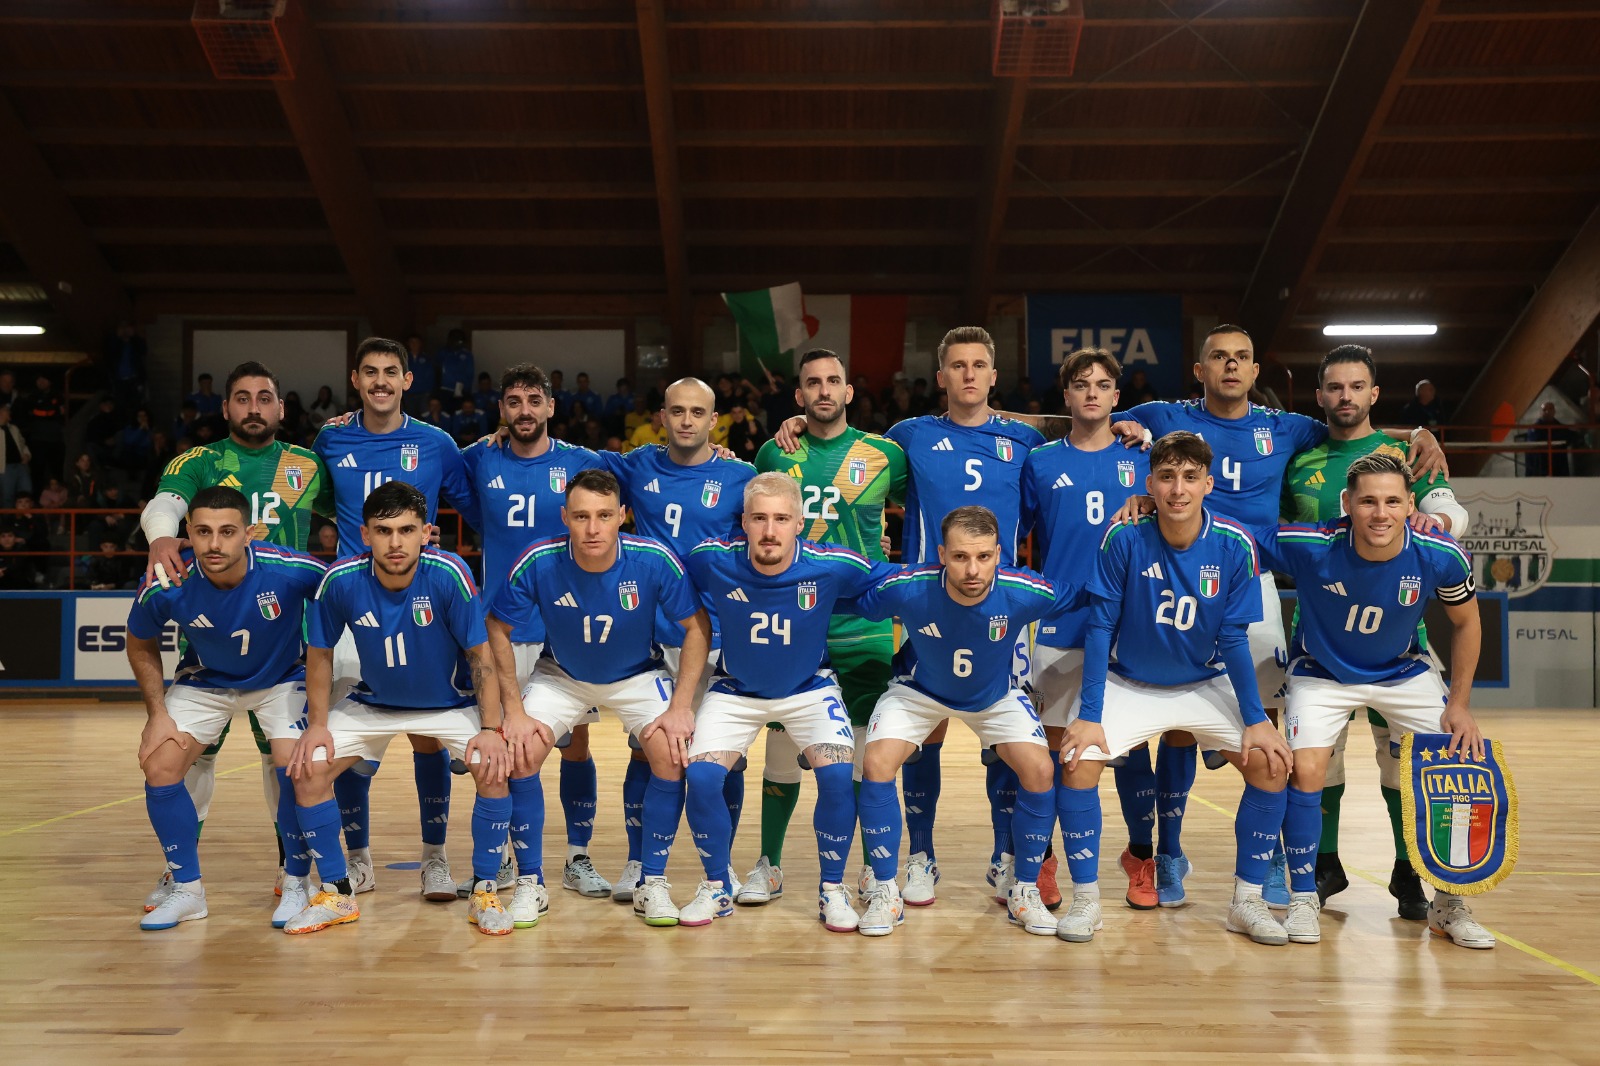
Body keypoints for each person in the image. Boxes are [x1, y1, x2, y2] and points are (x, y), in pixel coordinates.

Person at [1109, 324, 1446, 908]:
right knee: (1176, 721)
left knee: (1265, 728)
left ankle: (1264, 864)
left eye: (1242, 357)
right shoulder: (1164, 416)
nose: (1231, 366)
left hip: (1251, 583)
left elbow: (1352, 424)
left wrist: (1418, 433)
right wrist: (1136, 476)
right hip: (1172, 573)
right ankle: (1165, 851)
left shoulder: (1286, 427)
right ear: (1200, 369)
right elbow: (1097, 421)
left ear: (1256, 371)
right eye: (1218, 357)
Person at [778, 326, 1045, 906]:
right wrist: (799, 425)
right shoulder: (907, 439)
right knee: (925, 731)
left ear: (993, 377)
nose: (969, 374)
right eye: (957, 365)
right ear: (942, 376)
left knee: (1004, 738)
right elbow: (845, 451)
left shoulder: (1024, 441)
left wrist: (1136, 430)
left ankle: (1006, 856)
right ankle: (920, 854)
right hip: (927, 605)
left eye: (979, 365)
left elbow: (1082, 440)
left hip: (1000, 606)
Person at [1056, 431, 1295, 946]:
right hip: (1129, 681)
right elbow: (1099, 628)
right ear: (1150, 484)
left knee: (1272, 765)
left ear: (1209, 483)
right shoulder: (1122, 536)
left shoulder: (1234, 544)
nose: (1178, 489)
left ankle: (1247, 902)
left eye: (1190, 478)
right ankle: (1086, 902)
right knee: (1076, 762)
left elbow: (1233, 638)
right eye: (1167, 477)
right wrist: (1090, 712)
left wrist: (1255, 719)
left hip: (1204, 681)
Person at [1254, 451, 1494, 948]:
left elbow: (1468, 622)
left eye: (1391, 501)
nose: (1379, 513)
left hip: (1404, 670)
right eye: (1367, 501)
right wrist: (1155, 503)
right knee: (1307, 769)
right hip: (1320, 673)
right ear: (1347, 504)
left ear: (1411, 505)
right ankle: (1302, 897)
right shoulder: (1309, 544)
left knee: (1453, 761)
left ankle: (1448, 903)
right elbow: (1226, 535)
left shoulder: (1439, 552)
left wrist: (1461, 705)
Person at [138, 360, 337, 911]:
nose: (254, 407)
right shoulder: (199, 462)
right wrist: (160, 538)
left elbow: (349, 515)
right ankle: (181, 872)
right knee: (192, 759)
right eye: (243, 398)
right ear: (226, 408)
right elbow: (166, 506)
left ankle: (291, 870)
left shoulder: (304, 463)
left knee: (287, 760)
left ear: (280, 407)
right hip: (211, 639)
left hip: (286, 642)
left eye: (265, 398)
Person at [1282, 344, 1471, 913]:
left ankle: (1410, 869)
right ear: (1320, 398)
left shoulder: (1406, 452)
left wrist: (1432, 520)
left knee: (1402, 762)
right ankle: (1324, 865)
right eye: (1335, 388)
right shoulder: (1300, 460)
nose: (1346, 396)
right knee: (1322, 760)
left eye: (1356, 386)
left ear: (1373, 393)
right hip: (1318, 638)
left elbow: (1450, 514)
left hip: (1399, 643)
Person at [485, 469, 711, 927]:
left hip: (636, 675)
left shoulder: (652, 559)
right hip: (562, 675)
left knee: (670, 752)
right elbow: (496, 627)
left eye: (605, 516)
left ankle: (653, 883)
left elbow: (696, 627)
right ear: (564, 516)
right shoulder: (538, 560)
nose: (593, 528)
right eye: (582, 516)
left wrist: (681, 706)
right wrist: (513, 709)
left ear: (623, 517)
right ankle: (532, 884)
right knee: (522, 751)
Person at [285, 481, 512, 935]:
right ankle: (337, 893)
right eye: (383, 530)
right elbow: (320, 655)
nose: (395, 542)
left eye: (406, 530)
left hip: (447, 704)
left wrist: (491, 727)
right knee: (309, 768)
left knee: (494, 764)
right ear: (364, 534)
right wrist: (318, 725)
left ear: (426, 532)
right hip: (374, 701)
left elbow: (480, 658)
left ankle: (485, 888)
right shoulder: (341, 580)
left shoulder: (449, 573)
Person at [680, 473, 895, 931]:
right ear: (744, 522)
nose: (770, 530)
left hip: (809, 689)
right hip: (736, 689)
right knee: (699, 778)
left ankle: (831, 890)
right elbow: (668, 581)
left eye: (781, 519)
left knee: (838, 775)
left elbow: (892, 582)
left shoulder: (832, 563)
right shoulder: (710, 558)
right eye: (759, 518)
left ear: (800, 523)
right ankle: (717, 886)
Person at [312, 337, 484, 900]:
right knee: (352, 749)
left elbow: (473, 503)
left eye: (392, 372)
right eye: (370, 372)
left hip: (417, 601)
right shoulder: (330, 437)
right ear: (355, 380)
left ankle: (435, 857)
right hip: (351, 607)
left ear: (408, 381)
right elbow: (308, 500)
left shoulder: (435, 442)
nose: (381, 381)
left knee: (426, 737)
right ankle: (355, 856)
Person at [743, 349, 907, 906]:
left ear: (849, 391)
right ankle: (769, 864)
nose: (823, 390)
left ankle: (865, 867)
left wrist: (892, 551)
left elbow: (931, 510)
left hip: (862, 623)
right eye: (812, 382)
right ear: (798, 396)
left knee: (862, 757)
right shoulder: (775, 449)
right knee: (784, 754)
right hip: (797, 626)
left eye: (833, 380)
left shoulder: (884, 454)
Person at [125, 486, 326, 930]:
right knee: (158, 764)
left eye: (227, 531)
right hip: (206, 681)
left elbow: (349, 584)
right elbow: (139, 639)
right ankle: (187, 890)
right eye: (202, 532)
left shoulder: (289, 570)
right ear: (187, 536)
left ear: (249, 534)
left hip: (281, 679)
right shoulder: (168, 579)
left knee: (295, 764)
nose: (214, 544)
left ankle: (296, 881)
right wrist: (157, 714)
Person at [853, 506, 1058, 936]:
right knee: (875, 764)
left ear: (999, 554)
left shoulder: (1025, 590)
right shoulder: (910, 586)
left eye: (984, 557)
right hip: (919, 692)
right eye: (961, 556)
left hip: (993, 696)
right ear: (942, 554)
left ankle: (1024, 888)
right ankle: (886, 888)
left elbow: (1086, 596)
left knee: (1040, 769)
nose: (972, 569)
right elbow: (852, 595)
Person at [599, 378, 756, 900]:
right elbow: (567, 458)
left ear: (715, 421)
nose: (686, 421)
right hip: (651, 636)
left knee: (721, 755)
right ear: (660, 418)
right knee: (646, 753)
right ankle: (636, 863)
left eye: (697, 413)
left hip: (717, 634)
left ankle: (724, 866)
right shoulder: (636, 465)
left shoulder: (741, 475)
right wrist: (501, 433)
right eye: (676, 412)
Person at [462, 365, 612, 899]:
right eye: (512, 402)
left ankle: (578, 856)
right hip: (500, 627)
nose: (523, 411)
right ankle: (508, 859)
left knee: (575, 746)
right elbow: (437, 479)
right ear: (500, 409)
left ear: (551, 406)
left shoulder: (582, 462)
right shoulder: (479, 458)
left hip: (564, 628)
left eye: (533, 401)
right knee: (506, 749)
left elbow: (646, 471)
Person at [1022, 348, 1162, 910]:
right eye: (1082, 384)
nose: (1093, 393)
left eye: (1104, 384)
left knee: (1130, 753)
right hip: (1061, 621)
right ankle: (1047, 861)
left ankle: (1141, 855)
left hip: (1131, 625)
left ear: (1116, 397)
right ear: (1068, 396)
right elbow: (1016, 538)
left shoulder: (1142, 456)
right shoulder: (1041, 462)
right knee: (1057, 752)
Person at [1523, 401, 1581, 477]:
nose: (1547, 412)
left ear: (1554, 411)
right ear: (1540, 412)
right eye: (1544, 410)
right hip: (1540, 467)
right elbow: (1538, 440)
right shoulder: (1534, 429)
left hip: (1558, 467)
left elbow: (1571, 436)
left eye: (1550, 409)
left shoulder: (1560, 428)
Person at [0, 404, 31, 508]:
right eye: (6, 410)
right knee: (7, 496)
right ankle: (9, 522)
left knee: (27, 493)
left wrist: (26, 454)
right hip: (5, 468)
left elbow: (23, 445)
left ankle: (27, 520)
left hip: (20, 466)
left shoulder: (14, 428)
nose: (9, 412)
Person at [438, 329, 476, 409]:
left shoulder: (466, 355)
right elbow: (437, 370)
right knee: (446, 414)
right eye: (454, 340)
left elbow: (470, 374)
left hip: (461, 390)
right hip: (445, 389)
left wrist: (465, 389)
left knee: (458, 414)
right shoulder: (443, 353)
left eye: (459, 341)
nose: (456, 343)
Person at [405, 334, 437, 414]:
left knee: (424, 418)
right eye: (412, 342)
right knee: (410, 418)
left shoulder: (427, 358)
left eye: (416, 342)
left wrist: (429, 392)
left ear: (420, 343)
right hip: (408, 394)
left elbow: (431, 376)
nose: (414, 344)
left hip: (424, 394)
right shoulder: (404, 358)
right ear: (408, 344)